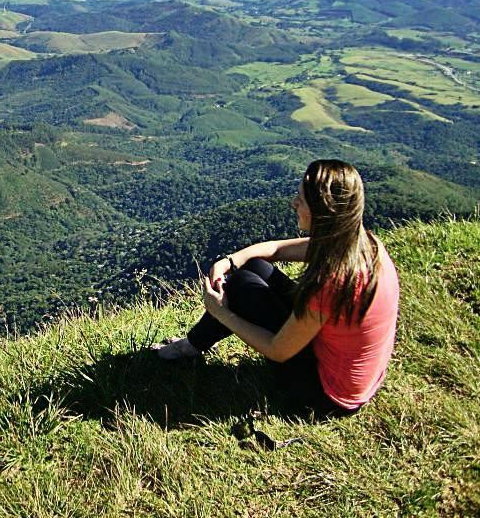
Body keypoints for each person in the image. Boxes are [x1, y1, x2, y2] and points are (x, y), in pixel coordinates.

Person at [152, 159, 400, 417]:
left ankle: (187, 348)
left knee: (240, 287)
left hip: (326, 397)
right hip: (355, 379)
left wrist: (221, 313)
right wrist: (228, 261)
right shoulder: (362, 244)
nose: (294, 203)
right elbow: (277, 249)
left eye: (301, 200)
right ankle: (191, 344)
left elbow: (277, 351)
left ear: (321, 211)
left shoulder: (332, 281)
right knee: (253, 268)